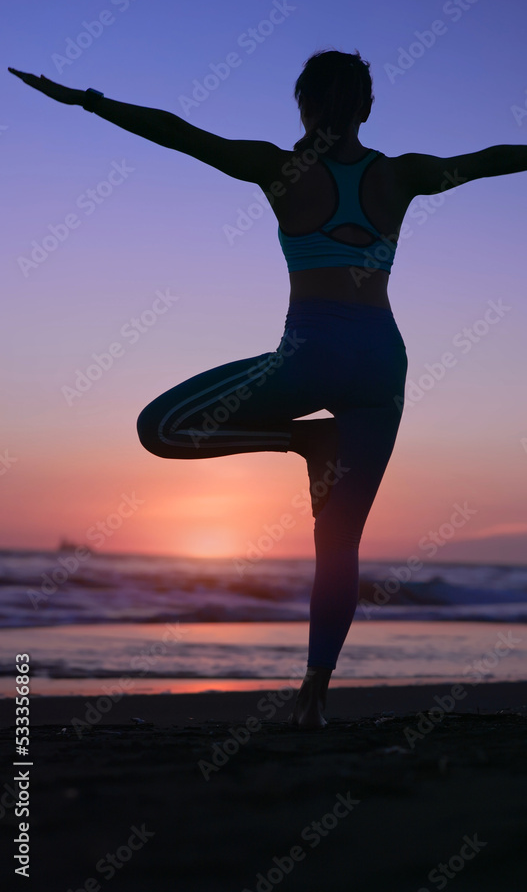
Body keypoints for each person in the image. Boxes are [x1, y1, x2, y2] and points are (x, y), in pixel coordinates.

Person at [9, 51, 526, 728]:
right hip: (381, 366)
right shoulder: (403, 175)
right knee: (340, 543)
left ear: (302, 105)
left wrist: (88, 100)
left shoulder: (277, 168)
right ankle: (314, 692)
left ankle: (302, 440)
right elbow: (496, 157)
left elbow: (176, 131)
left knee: (160, 428)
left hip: (308, 357)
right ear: (367, 107)